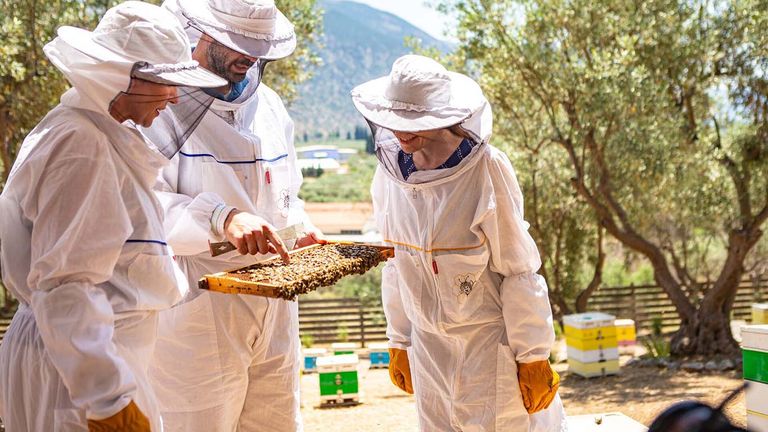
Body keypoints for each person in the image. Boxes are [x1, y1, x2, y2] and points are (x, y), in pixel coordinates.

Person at [0, 2, 226, 431]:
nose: (175, 96)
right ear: (121, 75)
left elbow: (124, 233)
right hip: (78, 377)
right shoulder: (81, 144)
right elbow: (66, 282)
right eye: (165, 82)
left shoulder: (87, 133)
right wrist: (107, 399)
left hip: (83, 362)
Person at [351, 54, 568, 431]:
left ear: (441, 117)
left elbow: (518, 268)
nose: (400, 131)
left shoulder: (487, 168)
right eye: (393, 119)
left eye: (413, 121)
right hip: (428, 352)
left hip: (489, 353)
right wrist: (399, 339)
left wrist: (533, 355)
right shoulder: (389, 175)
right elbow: (395, 262)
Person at [147, 1, 322, 430]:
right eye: (238, 44)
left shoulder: (270, 106)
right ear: (201, 33)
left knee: (276, 421)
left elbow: (288, 191)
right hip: (201, 304)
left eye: (257, 45)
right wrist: (221, 218)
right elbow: (142, 209)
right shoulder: (159, 107)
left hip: (276, 301)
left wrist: (301, 227)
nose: (250, 56)